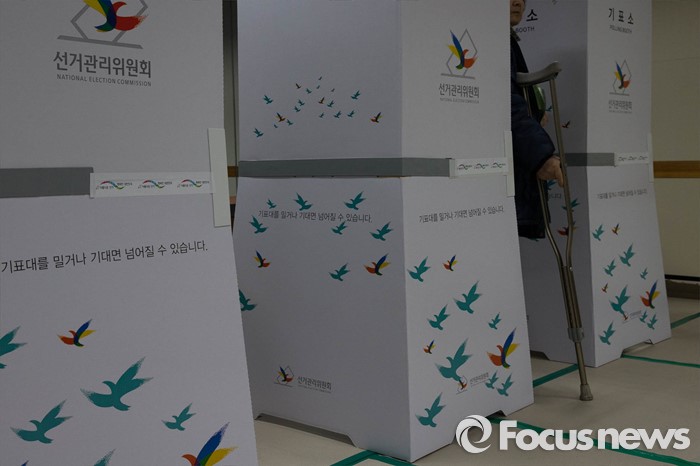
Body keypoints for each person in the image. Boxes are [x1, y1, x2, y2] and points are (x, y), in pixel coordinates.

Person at [510, 0, 563, 239]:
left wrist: (537, 114)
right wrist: (541, 156)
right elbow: (508, 105)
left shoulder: (508, 41)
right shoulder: (494, 42)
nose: (518, 2)